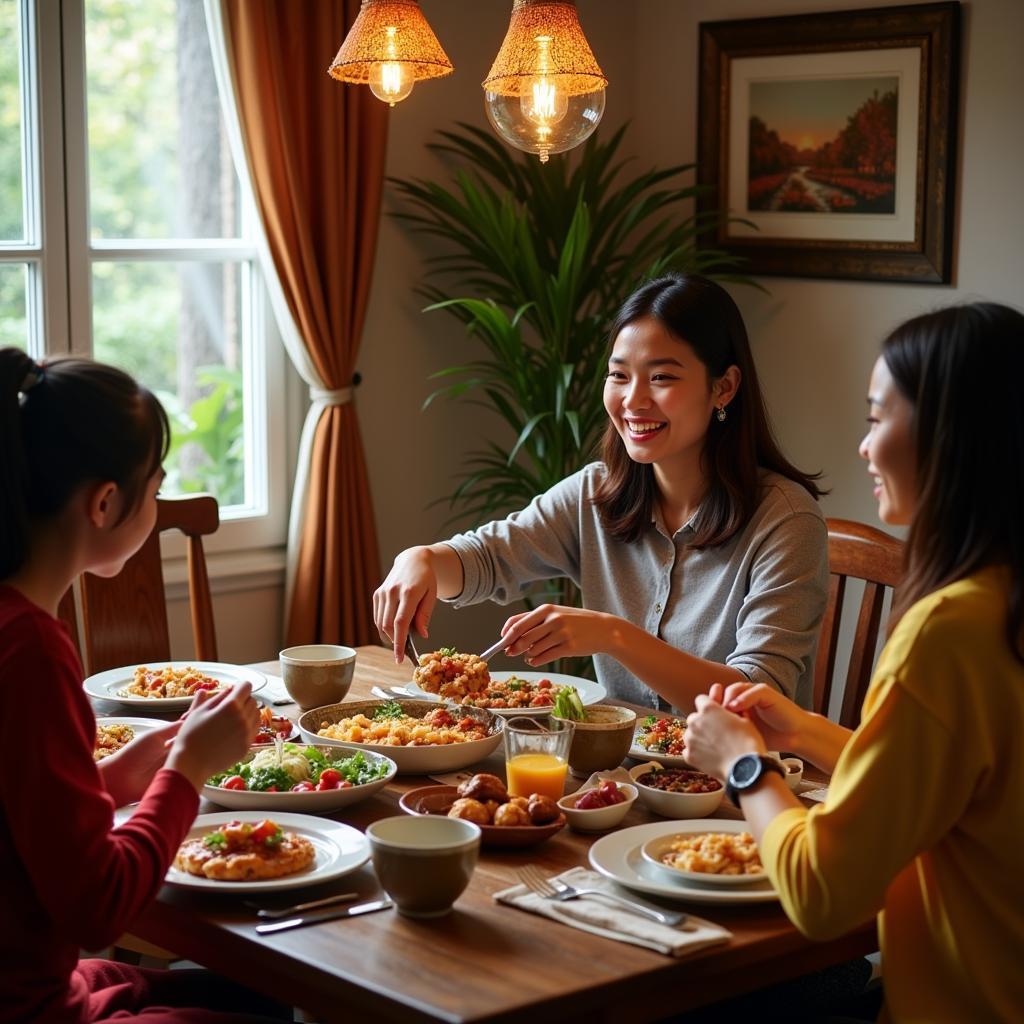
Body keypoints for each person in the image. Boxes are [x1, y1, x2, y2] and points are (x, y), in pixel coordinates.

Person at [682, 302, 1024, 1021]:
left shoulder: (947, 633)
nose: (864, 447)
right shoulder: (1003, 603)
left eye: (876, 418)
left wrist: (746, 767)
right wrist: (803, 731)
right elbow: (959, 786)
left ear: (950, 435)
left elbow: (822, 894)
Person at [375, 274, 829, 710]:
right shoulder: (596, 492)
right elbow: (490, 559)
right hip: (618, 774)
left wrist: (616, 636)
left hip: (746, 780)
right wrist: (423, 560)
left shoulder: (786, 520)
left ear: (723, 387)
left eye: (662, 378)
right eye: (619, 376)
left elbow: (757, 700)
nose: (633, 400)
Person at [0, 349, 288, 1024]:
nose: (156, 507)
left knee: (258, 994)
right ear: (105, 502)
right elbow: (98, 907)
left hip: (34, 984)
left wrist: (116, 776)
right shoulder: (31, 651)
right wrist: (190, 768)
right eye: (154, 490)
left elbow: (23, 817)